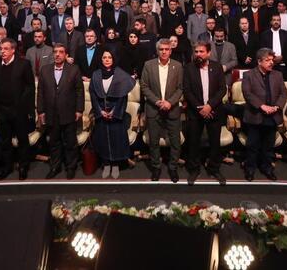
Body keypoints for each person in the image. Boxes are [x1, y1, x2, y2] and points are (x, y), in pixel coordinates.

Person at [0, 38, 35, 180]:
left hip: (19, 110)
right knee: (4, 140)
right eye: (1, 49)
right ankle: (7, 167)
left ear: (13, 50)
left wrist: (23, 105)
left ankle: (23, 166)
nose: (2, 51)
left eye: (6, 49)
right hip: (2, 109)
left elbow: (30, 87)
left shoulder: (23, 64)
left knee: (22, 139)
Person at [37, 43, 85, 179]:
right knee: (54, 142)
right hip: (50, 113)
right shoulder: (45, 70)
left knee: (70, 143)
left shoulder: (74, 69)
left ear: (66, 55)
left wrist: (79, 109)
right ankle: (55, 167)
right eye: (55, 52)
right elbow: (40, 92)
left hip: (69, 112)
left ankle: (71, 167)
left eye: (61, 52)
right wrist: (41, 111)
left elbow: (79, 91)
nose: (57, 54)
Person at [183, 41, 227, 185]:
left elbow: (222, 89)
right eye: (196, 52)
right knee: (193, 142)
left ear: (208, 53)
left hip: (214, 111)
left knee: (215, 142)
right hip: (195, 112)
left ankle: (214, 168)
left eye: (201, 52)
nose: (198, 54)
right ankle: (194, 169)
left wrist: (209, 106)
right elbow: (187, 91)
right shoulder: (189, 68)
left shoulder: (217, 67)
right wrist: (200, 108)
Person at [141, 38, 184, 183]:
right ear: (157, 51)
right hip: (154, 108)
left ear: (171, 51)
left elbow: (180, 88)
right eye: (161, 49)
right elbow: (144, 86)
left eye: (167, 49)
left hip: (172, 109)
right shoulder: (148, 65)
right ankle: (156, 167)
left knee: (175, 142)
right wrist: (157, 101)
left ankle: (173, 167)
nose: (164, 52)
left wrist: (170, 102)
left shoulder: (178, 66)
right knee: (153, 141)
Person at [241, 48, 287, 181]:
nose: (271, 62)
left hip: (272, 116)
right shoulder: (249, 75)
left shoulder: (278, 75)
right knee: (252, 145)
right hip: (255, 115)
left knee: (268, 146)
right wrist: (262, 106)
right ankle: (250, 168)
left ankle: (267, 168)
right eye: (267, 60)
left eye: (272, 60)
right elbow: (247, 94)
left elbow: (283, 93)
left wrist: (277, 106)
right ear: (259, 61)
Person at [89, 50, 136, 179]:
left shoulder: (120, 74)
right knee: (103, 140)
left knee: (116, 140)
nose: (107, 59)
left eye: (109, 57)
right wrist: (100, 111)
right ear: (101, 59)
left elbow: (123, 96)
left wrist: (114, 111)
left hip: (116, 114)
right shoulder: (96, 74)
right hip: (101, 114)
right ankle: (106, 164)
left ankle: (115, 165)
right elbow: (93, 94)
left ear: (113, 59)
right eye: (104, 57)